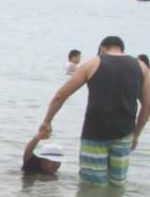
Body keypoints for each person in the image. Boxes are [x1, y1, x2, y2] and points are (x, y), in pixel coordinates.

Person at [38, 36, 149, 185]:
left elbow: (61, 96)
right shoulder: (142, 67)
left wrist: (47, 121)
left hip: (95, 133)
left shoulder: (92, 63)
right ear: (122, 49)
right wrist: (136, 134)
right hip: (124, 134)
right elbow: (147, 106)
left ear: (102, 48)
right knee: (117, 183)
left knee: (92, 185)